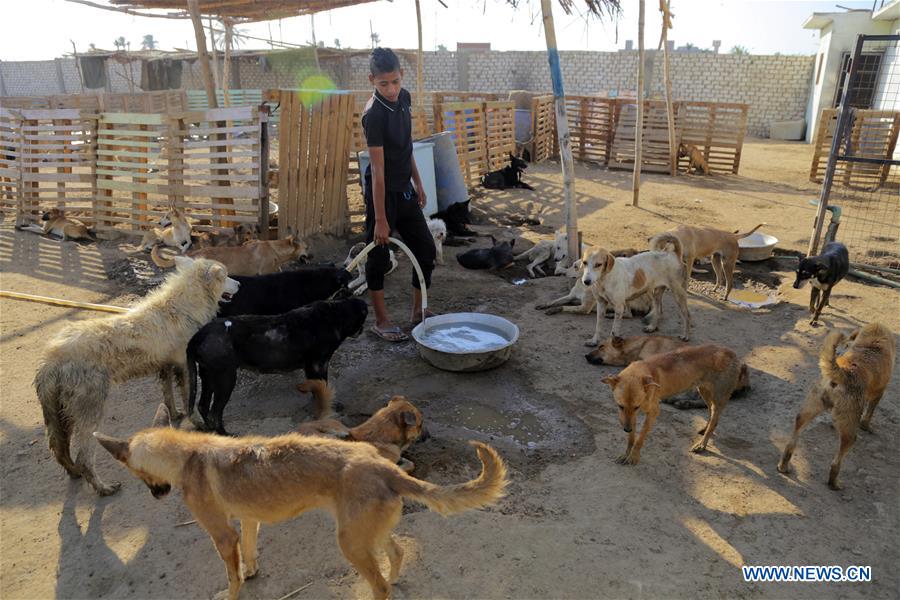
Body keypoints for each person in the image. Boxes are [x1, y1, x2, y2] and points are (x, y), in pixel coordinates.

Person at [362, 47, 436, 342]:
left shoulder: (404, 99)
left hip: (404, 190)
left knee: (426, 251)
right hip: (382, 195)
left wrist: (418, 181)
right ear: (372, 80)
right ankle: (381, 321)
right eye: (384, 84)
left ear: (401, 76)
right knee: (378, 258)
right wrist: (381, 219)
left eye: (395, 81)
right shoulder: (374, 115)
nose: (391, 89)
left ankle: (418, 312)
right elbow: (379, 171)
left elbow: (407, 146)